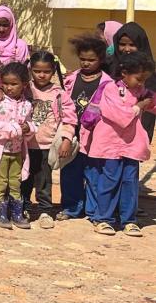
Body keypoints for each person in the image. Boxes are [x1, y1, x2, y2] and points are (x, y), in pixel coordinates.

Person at [83, 51, 155, 237]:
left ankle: (128, 220)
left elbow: (153, 103)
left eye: (144, 80)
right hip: (111, 145)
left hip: (131, 145)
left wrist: (146, 102)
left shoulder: (141, 91)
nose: (141, 84)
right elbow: (120, 117)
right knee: (110, 181)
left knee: (130, 183)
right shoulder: (110, 89)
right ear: (124, 73)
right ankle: (103, 219)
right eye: (139, 79)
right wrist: (139, 106)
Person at [61, 34, 112, 221]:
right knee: (70, 172)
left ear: (101, 59)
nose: (86, 63)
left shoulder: (108, 84)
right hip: (72, 134)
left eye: (91, 60)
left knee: (93, 174)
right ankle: (71, 208)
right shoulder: (71, 79)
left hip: (95, 136)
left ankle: (92, 210)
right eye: (82, 59)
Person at [0, 62, 34, 229]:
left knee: (16, 182)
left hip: (17, 152)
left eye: (14, 84)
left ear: (24, 84)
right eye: (6, 84)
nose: (9, 88)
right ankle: (0, 214)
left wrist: (29, 128)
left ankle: (17, 213)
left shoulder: (27, 105)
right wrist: (12, 129)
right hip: (0, 152)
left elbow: (30, 124)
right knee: (0, 182)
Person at [25, 51, 76, 229]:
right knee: (24, 179)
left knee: (44, 181)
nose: (41, 75)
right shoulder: (25, 89)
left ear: (53, 71)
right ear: (31, 70)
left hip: (47, 145)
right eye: (37, 71)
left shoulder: (60, 94)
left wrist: (66, 139)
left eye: (46, 71)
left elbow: (69, 118)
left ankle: (45, 211)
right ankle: (24, 208)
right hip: (24, 145)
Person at [109, 22, 156, 140]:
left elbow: (150, 108)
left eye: (132, 44)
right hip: (111, 133)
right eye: (122, 44)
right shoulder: (109, 66)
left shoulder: (150, 73)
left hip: (137, 134)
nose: (126, 49)